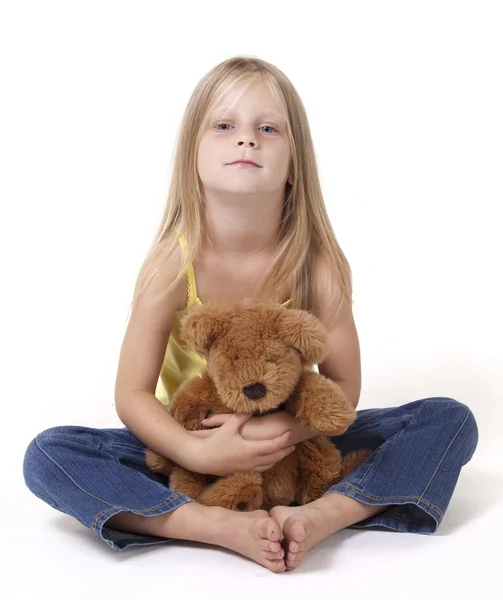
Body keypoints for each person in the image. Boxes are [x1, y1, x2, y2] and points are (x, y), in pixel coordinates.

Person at [23, 56, 479, 573]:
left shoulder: (317, 264)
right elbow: (131, 394)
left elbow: (344, 389)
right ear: (192, 156)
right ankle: (205, 522)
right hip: (189, 450)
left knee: (448, 419)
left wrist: (281, 434)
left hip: (292, 447)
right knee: (50, 454)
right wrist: (200, 455)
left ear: (294, 166)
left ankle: (326, 513)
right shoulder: (172, 263)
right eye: (224, 126)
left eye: (268, 128)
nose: (247, 139)